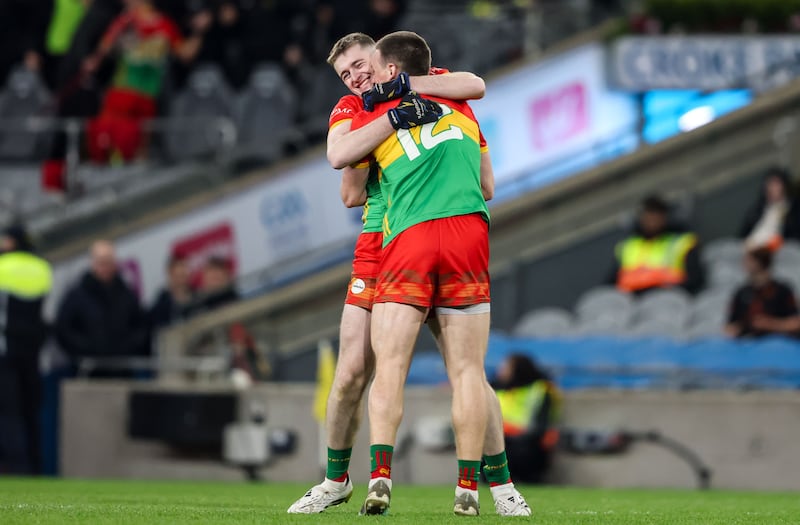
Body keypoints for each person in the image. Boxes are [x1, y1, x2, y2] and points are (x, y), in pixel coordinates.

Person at [288, 33, 525, 517]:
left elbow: (476, 84)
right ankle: (336, 480)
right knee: (354, 367)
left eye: (359, 65)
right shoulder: (352, 108)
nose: (355, 77)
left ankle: (501, 485)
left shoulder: (434, 83)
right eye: (345, 74)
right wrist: (389, 118)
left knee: (465, 369)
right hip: (381, 239)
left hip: (415, 231)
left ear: (380, 57)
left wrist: (399, 93)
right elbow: (350, 192)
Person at [349, 31, 496, 516]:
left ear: (392, 71)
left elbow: (348, 187)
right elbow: (488, 185)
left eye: (369, 66)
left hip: (410, 235)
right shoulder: (463, 107)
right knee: (469, 371)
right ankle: (468, 489)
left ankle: (380, 478)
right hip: (468, 233)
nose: (361, 77)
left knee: (389, 365)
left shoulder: (371, 112)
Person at [82, 0, 211, 163]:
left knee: (137, 147)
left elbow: (185, 55)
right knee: (111, 144)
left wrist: (199, 31)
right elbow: (103, 50)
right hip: (122, 95)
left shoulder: (162, 25)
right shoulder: (127, 21)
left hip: (144, 97)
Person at [0, 225, 52, 474]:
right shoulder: (42, 268)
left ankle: (14, 466)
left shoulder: (3, 267)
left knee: (9, 413)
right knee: (31, 413)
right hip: (32, 352)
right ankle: (34, 466)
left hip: (6, 350)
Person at [55, 239, 149, 376]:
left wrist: (127, 347)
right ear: (93, 263)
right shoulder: (77, 296)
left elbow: (141, 326)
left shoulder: (126, 294)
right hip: (88, 372)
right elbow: (63, 330)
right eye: (101, 262)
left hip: (121, 371)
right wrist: (87, 350)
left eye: (109, 262)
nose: (105, 267)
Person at [608, 195, 705, 295]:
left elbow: (695, 279)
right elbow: (610, 284)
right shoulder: (626, 246)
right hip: (630, 301)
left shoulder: (682, 242)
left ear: (665, 217)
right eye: (648, 213)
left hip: (668, 296)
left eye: (656, 214)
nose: (652, 219)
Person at [492, 354, 560, 484]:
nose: (501, 370)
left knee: (522, 450)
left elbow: (541, 425)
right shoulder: (495, 388)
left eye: (506, 367)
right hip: (500, 439)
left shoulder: (540, 389)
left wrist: (515, 433)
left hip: (529, 443)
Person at [725, 247, 800, 338]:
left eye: (748, 260)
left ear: (758, 262)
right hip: (748, 344)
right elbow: (729, 326)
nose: (743, 264)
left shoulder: (782, 290)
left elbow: (796, 323)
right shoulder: (741, 292)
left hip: (778, 342)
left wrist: (770, 324)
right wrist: (736, 330)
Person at [739, 166, 800, 251]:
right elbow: (743, 234)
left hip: (778, 251)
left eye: (776, 184)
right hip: (750, 249)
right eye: (769, 184)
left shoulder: (794, 208)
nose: (771, 188)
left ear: (784, 186)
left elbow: (793, 236)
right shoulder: (758, 208)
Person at [148, 253, 194, 330]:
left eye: (185, 273)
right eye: (180, 275)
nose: (184, 275)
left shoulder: (197, 295)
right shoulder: (161, 305)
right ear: (170, 274)